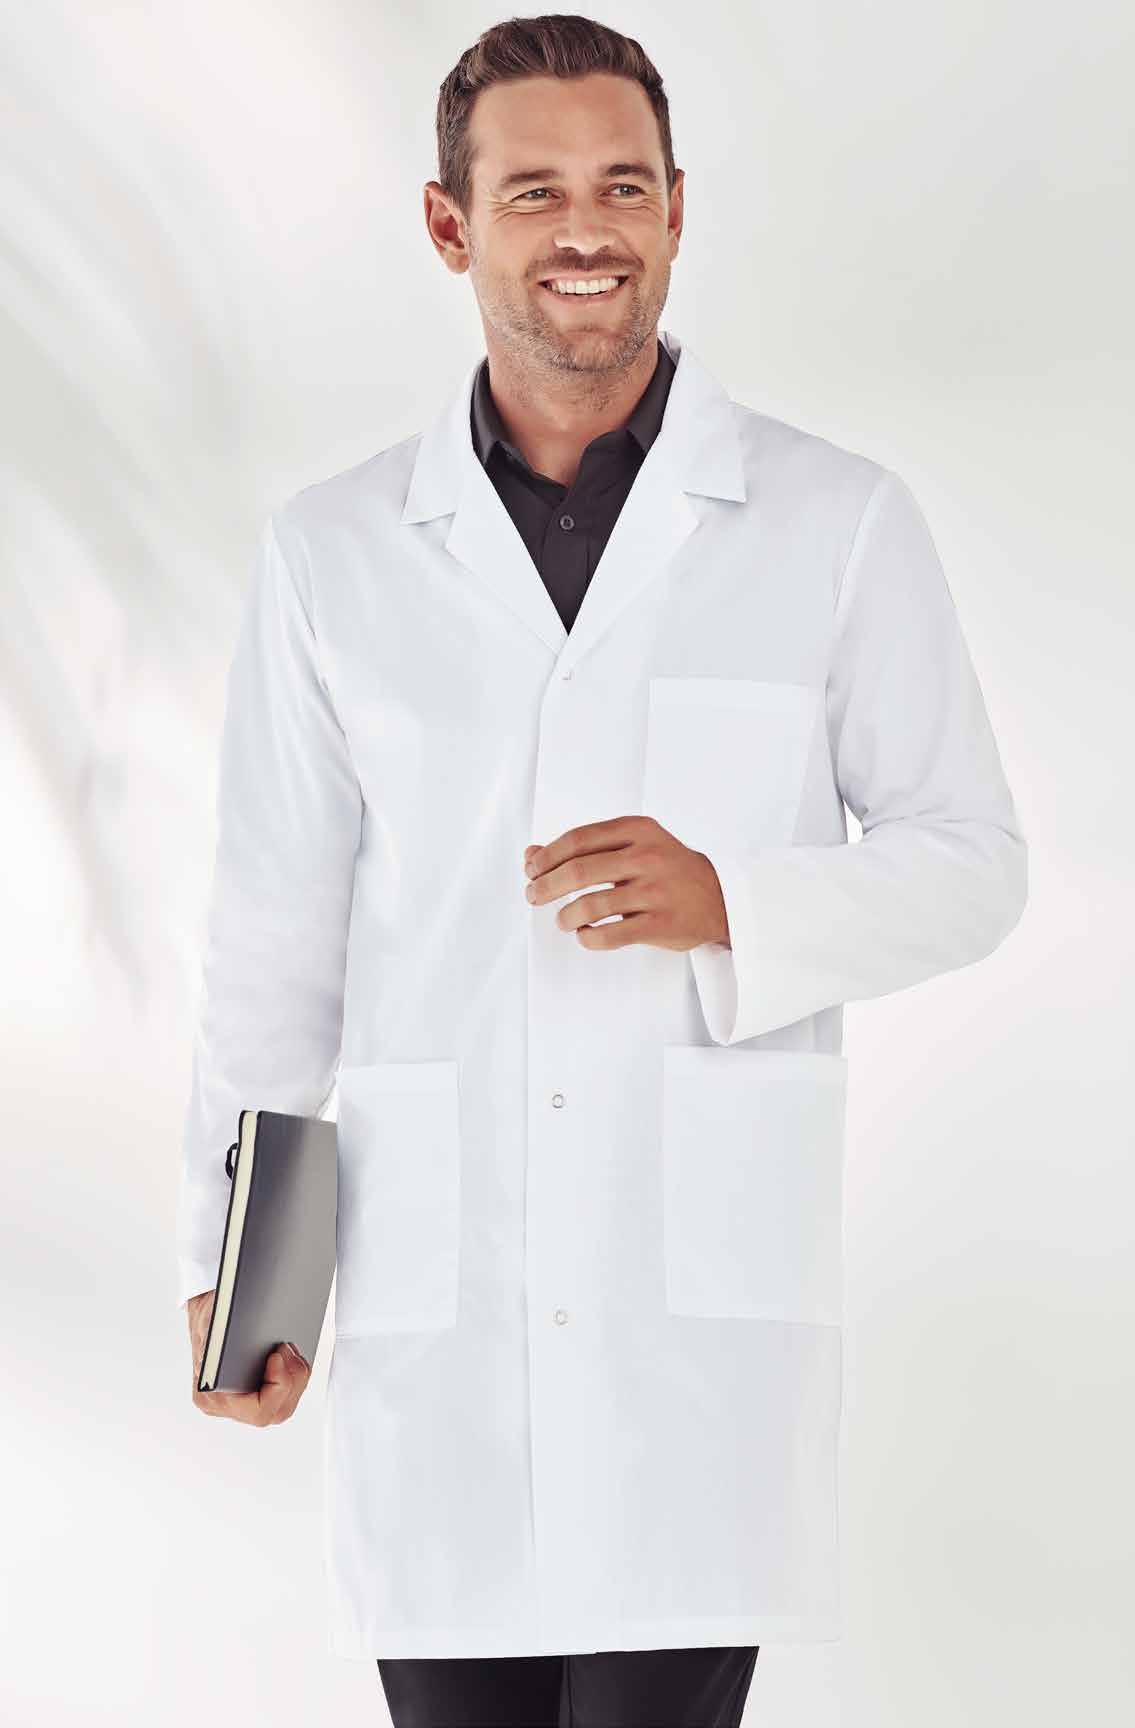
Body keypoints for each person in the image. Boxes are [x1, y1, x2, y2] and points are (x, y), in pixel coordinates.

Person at [179, 14, 1027, 1726]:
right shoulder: (335, 552)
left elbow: (974, 863)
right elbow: (276, 935)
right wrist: (237, 1259)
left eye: (624, 186)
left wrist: (742, 905)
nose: (588, 230)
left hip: (690, 1341)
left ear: (678, 210)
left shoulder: (834, 521)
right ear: (450, 226)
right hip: (442, 1324)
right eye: (536, 191)